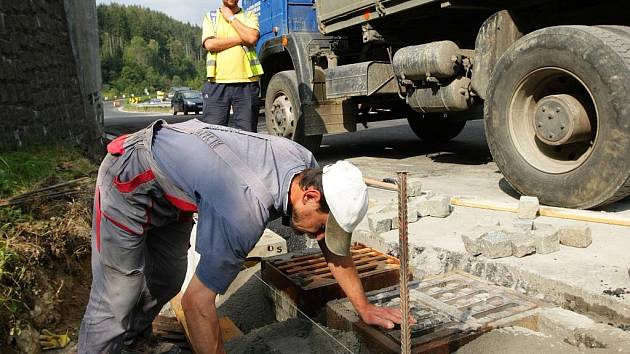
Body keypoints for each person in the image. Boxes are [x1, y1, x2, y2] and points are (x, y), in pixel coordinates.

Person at [78, 119, 406, 353]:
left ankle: (131, 341)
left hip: (175, 194)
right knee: (118, 293)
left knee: (167, 278)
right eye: (322, 225)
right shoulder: (242, 213)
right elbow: (197, 305)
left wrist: (363, 307)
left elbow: (331, 247)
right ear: (310, 197)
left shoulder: (307, 166)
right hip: (132, 178)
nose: (319, 235)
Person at [200, 0, 263, 132]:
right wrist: (241, 38)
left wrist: (231, 18)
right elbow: (210, 44)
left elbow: (251, 38)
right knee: (214, 134)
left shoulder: (249, 15)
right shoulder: (211, 17)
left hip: (247, 84)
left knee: (248, 135)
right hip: (217, 83)